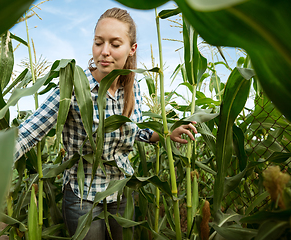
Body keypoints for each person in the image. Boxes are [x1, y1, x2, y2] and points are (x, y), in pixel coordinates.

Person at [14, 7, 197, 240]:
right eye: (99, 42)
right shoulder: (73, 86)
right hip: (83, 199)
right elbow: (28, 133)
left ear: (132, 49)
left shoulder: (134, 87)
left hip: (122, 195)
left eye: (115, 44)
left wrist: (166, 133)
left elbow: (138, 130)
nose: (104, 52)